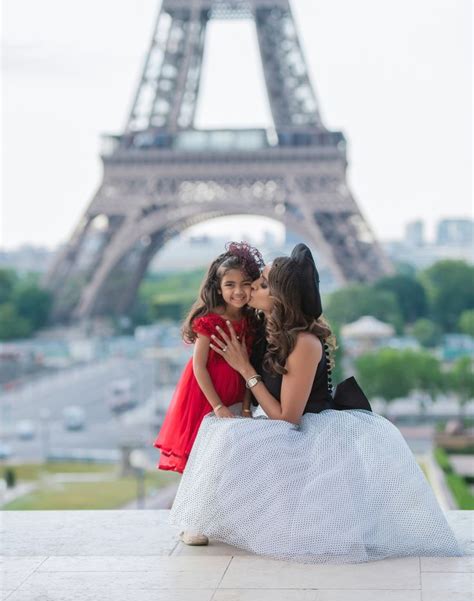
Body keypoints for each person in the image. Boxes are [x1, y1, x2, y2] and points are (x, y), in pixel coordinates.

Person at [169, 244, 463, 563]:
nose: (251, 287)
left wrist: (245, 369)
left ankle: (210, 519)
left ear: (282, 298)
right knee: (222, 431)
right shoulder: (265, 328)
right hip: (284, 422)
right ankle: (208, 520)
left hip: (306, 428)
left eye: (262, 283)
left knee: (229, 436)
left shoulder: (304, 343)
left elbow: (287, 417)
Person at [153, 241, 264, 538]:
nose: (238, 292)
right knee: (201, 462)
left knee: (224, 464)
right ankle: (191, 523)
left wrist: (243, 406)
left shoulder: (252, 323)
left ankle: (216, 519)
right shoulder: (210, 321)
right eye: (230, 284)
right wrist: (216, 406)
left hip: (234, 396)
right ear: (218, 286)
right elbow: (199, 367)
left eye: (244, 285)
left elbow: (248, 366)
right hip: (206, 397)